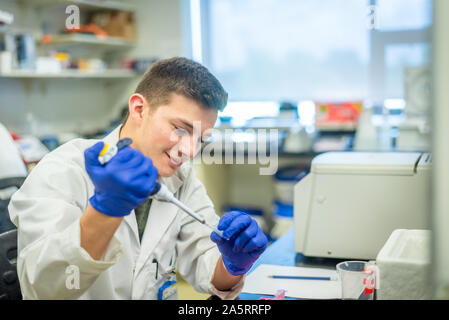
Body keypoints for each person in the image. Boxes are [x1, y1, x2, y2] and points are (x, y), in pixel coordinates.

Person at [8, 57, 267, 300]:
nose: (189, 151)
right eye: (180, 129)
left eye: (200, 138)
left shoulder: (182, 180)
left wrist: (233, 264)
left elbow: (204, 261)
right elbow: (41, 286)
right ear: (139, 109)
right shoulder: (64, 170)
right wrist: (106, 210)